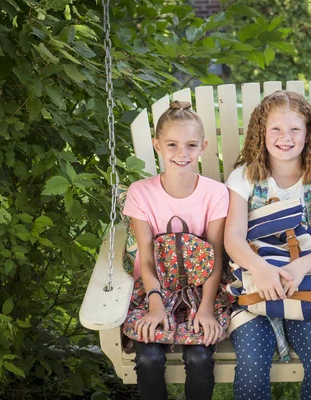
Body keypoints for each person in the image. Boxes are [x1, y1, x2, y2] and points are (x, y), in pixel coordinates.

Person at [224, 91, 311, 400]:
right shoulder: (244, 179)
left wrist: (298, 267)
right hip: (253, 285)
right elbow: (233, 238)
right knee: (251, 366)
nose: (285, 138)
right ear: (261, 134)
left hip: (305, 286)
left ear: (308, 135)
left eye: (294, 129)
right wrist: (261, 269)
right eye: (275, 129)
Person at [122, 101, 229, 400]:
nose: (181, 153)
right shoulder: (141, 192)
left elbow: (214, 256)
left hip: (201, 287)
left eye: (191, 145)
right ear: (157, 145)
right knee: (149, 357)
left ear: (203, 146)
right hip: (154, 285)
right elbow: (146, 256)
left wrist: (206, 307)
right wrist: (155, 303)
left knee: (198, 359)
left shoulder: (215, 193)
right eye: (172, 144)